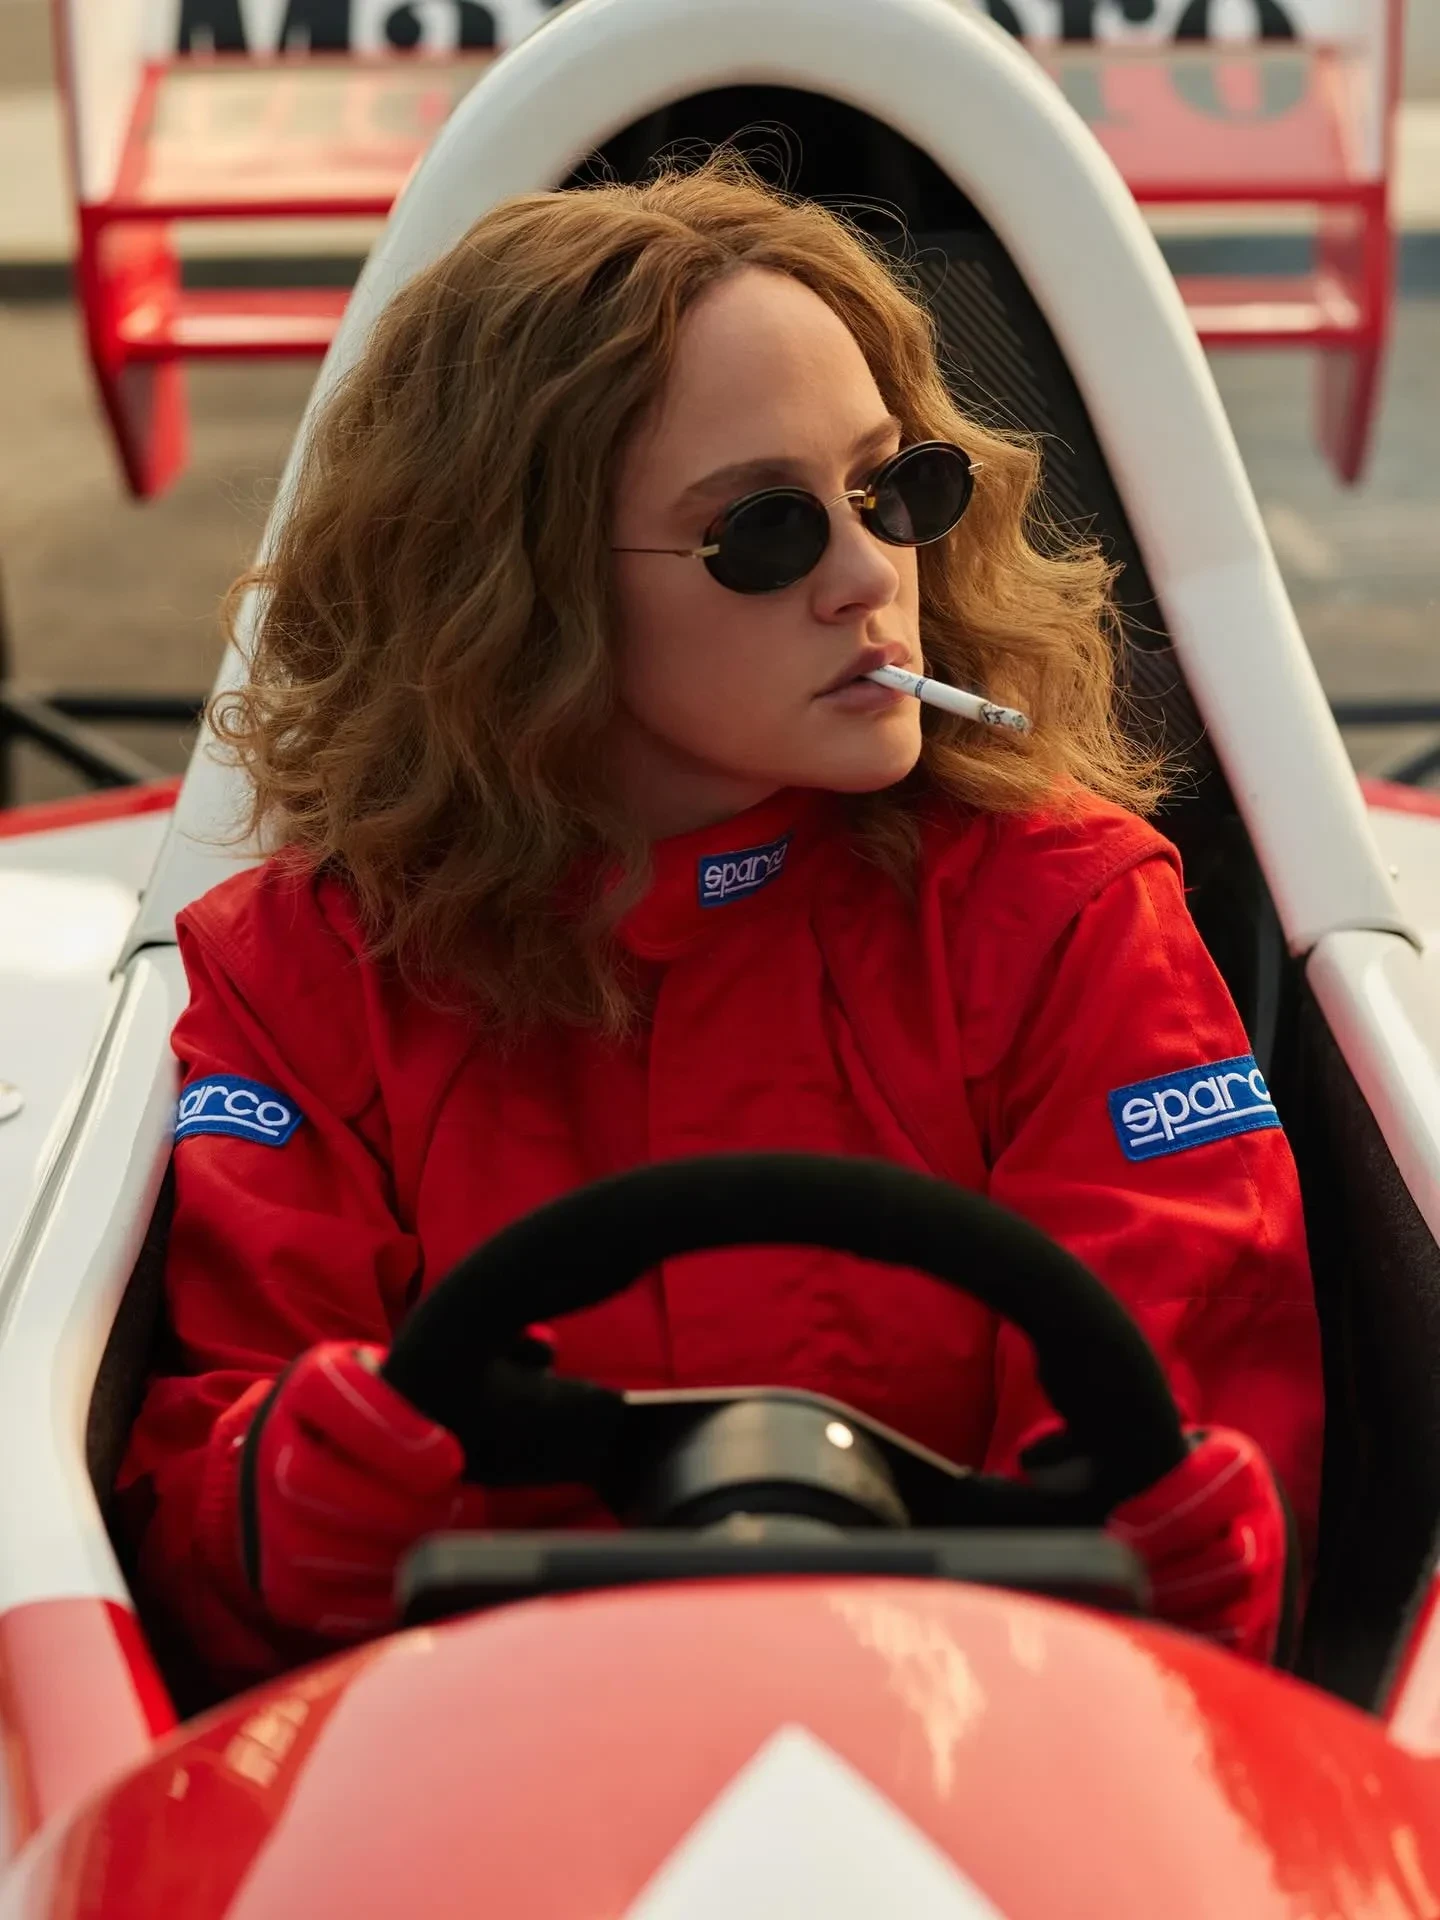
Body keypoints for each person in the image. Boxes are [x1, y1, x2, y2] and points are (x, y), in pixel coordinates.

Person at [119, 158, 1322, 1693]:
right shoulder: (303, 970)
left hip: (974, 1755)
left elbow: (1203, 1453)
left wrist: (1192, 1537)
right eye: (766, 531)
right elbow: (199, 1517)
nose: (870, 574)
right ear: (520, 587)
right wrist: (287, 1497)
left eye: (893, 489)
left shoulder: (1068, 913)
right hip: (486, 1776)